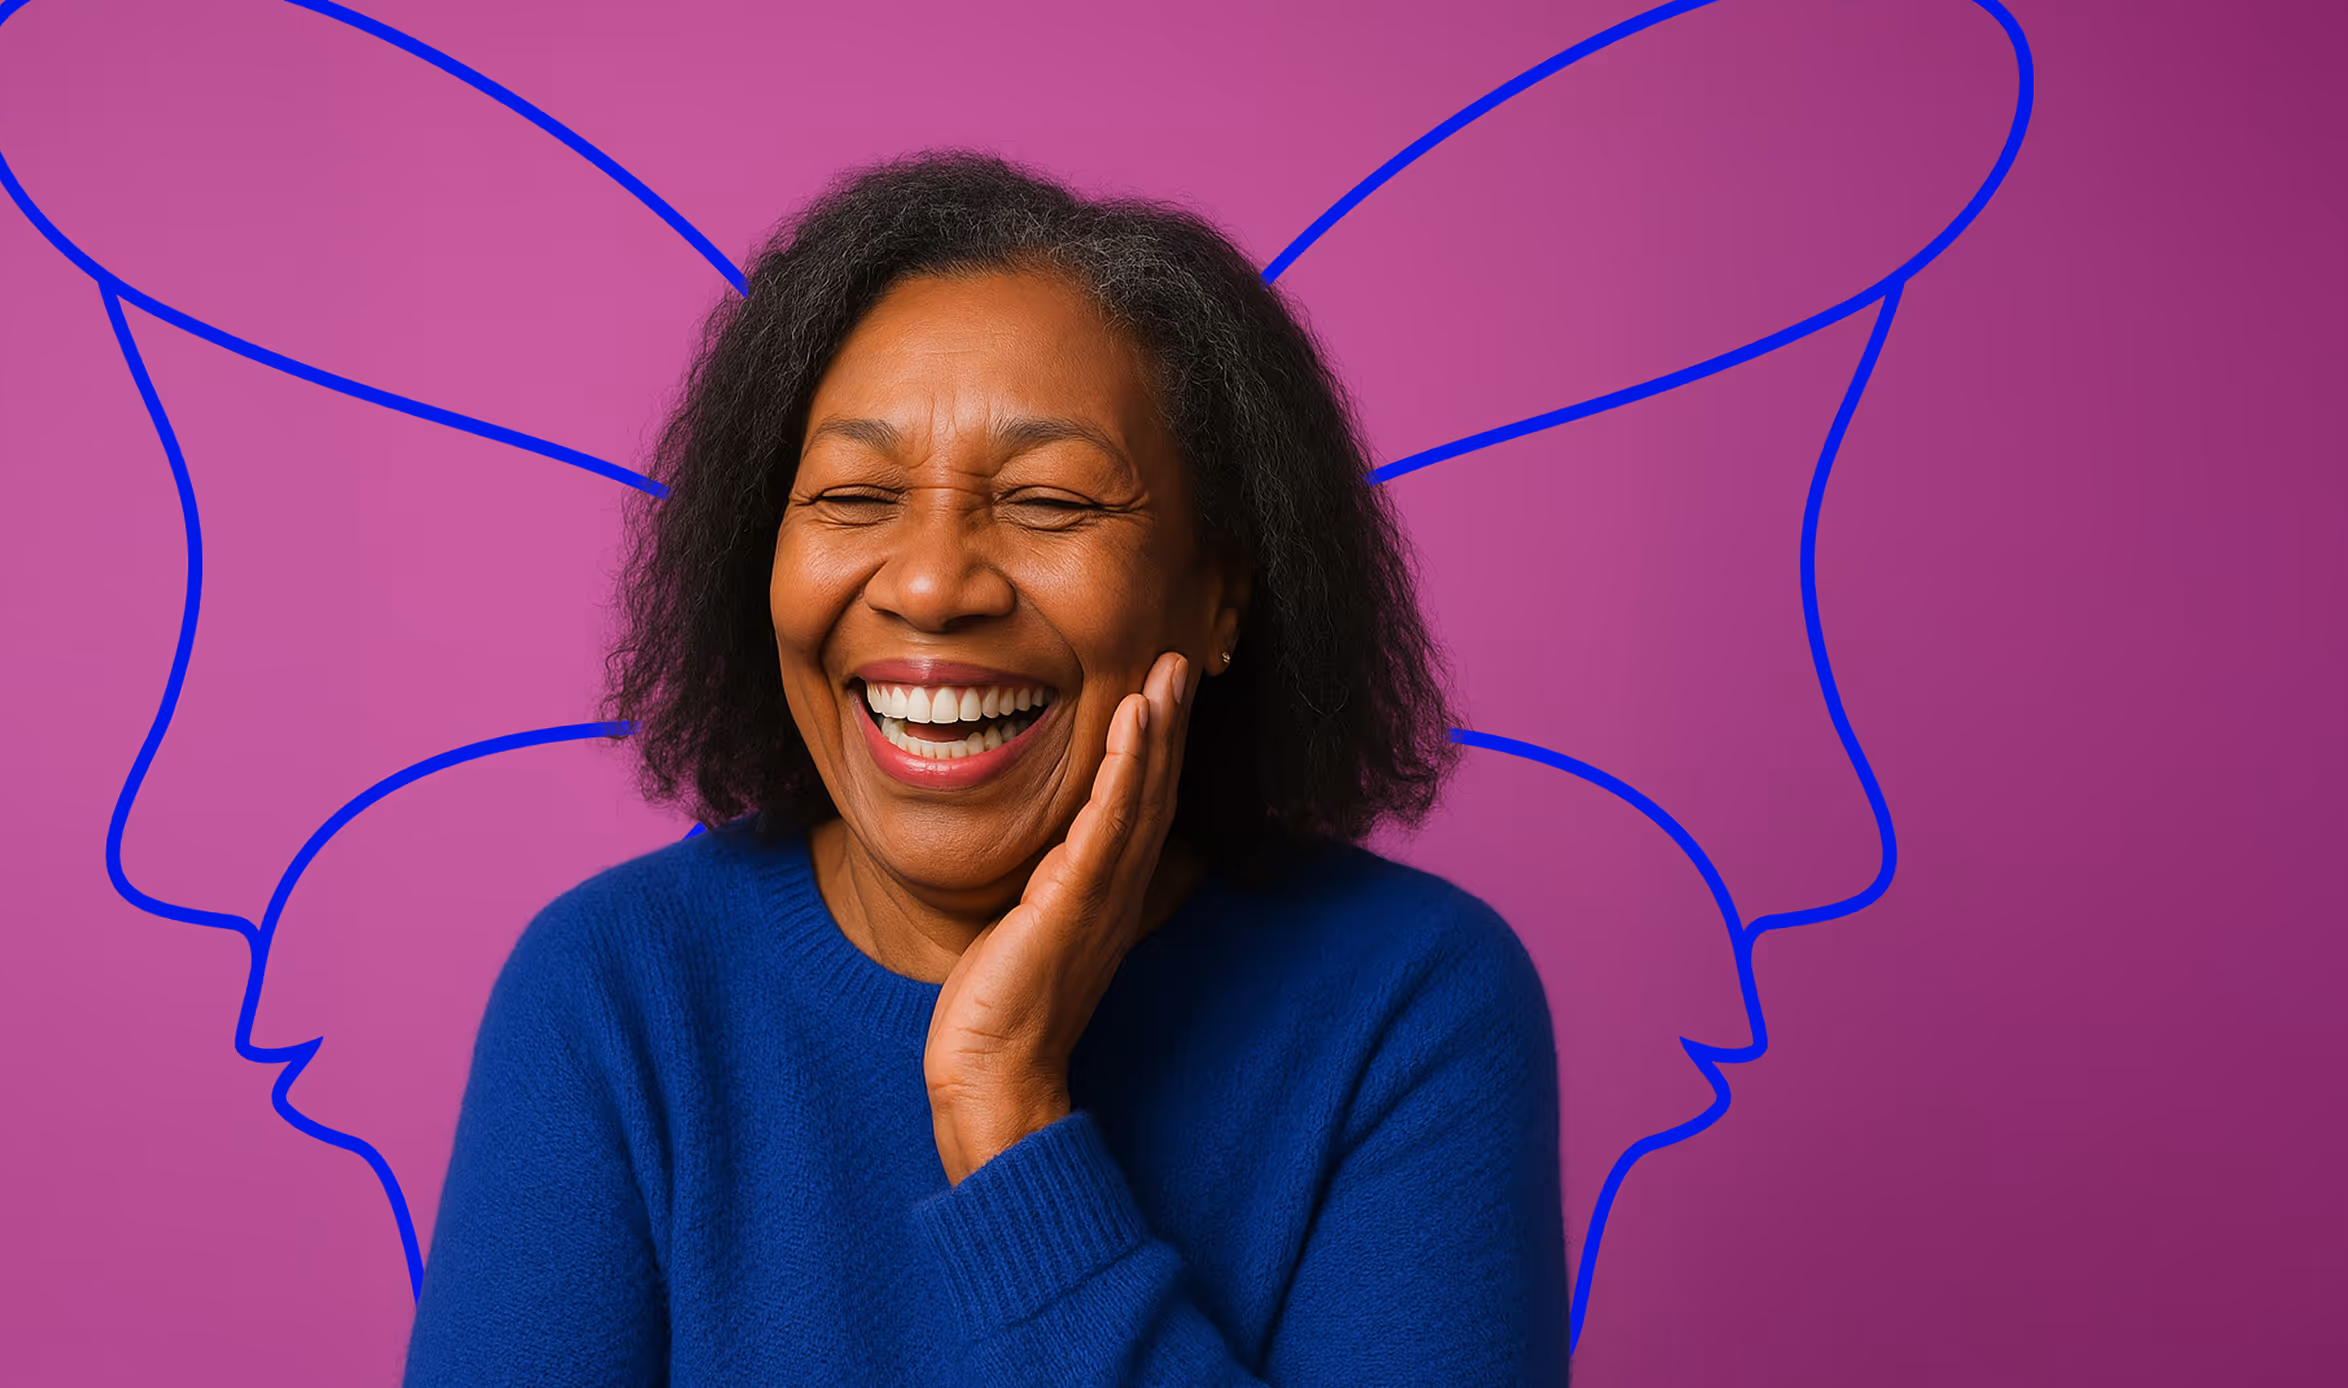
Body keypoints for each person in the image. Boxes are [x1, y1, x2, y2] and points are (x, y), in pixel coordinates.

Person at [401, 150, 1567, 1387]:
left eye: (1050, 500)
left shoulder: (1410, 1004)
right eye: (854, 493)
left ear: (1222, 594)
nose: (928, 582)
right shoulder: (614, 993)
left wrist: (1004, 1110)